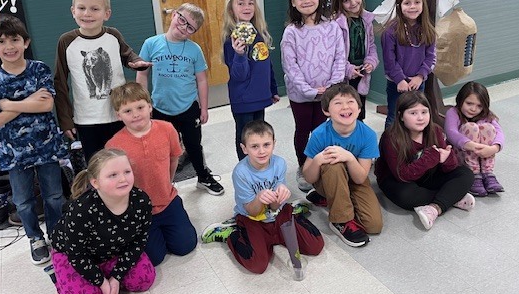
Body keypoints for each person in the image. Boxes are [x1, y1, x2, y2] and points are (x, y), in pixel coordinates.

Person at [0, 15, 66, 265]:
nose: (9, 46)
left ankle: (57, 233)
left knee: (54, 196)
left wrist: (8, 104)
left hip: (47, 145)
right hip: (14, 152)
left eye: (15, 39)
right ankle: (35, 238)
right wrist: (30, 102)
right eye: (1, 41)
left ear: (26, 42)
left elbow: (47, 104)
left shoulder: (39, 69)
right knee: (23, 201)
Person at [202, 121, 324, 274]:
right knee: (257, 265)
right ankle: (231, 233)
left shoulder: (279, 163)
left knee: (315, 245)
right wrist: (259, 198)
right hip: (252, 217)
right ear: (244, 148)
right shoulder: (241, 172)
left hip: (276, 213)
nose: (261, 151)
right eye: (255, 146)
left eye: (266, 145)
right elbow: (252, 211)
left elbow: (275, 207)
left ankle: (293, 212)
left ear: (274, 143)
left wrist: (280, 194)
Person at [50, 148, 155, 294]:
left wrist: (116, 278)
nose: (123, 179)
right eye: (112, 175)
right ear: (95, 182)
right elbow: (77, 254)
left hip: (112, 250)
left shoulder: (141, 200)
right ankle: (58, 278)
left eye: (127, 172)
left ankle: (103, 274)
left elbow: (139, 241)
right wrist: (102, 282)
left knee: (144, 279)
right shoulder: (82, 209)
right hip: (74, 255)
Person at [54, 0, 151, 162]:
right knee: (98, 164)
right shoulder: (66, 41)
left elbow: (127, 53)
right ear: (73, 11)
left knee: (125, 159)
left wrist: (137, 62)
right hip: (86, 119)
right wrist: (65, 119)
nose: (87, 13)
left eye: (95, 9)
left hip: (120, 113)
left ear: (106, 13)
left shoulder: (113, 35)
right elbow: (59, 81)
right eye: (81, 8)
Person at [136, 3, 225, 196]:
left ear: (194, 32)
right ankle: (163, 183)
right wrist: (144, 104)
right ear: (174, 15)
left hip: (188, 107)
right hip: (159, 108)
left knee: (194, 145)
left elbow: (201, 80)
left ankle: (203, 176)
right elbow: (142, 75)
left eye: (190, 27)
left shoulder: (194, 50)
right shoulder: (151, 43)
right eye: (182, 20)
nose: (184, 27)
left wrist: (204, 108)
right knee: (161, 148)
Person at [105, 82, 197, 265]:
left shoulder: (167, 129)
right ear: (118, 115)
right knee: (154, 259)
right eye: (127, 111)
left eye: (140, 107)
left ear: (150, 106)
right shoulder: (114, 145)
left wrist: (168, 184)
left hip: (168, 200)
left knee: (186, 245)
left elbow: (173, 159)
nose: (136, 114)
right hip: (140, 211)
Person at [281, 0, 346, 192]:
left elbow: (340, 58)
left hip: (328, 93)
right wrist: (309, 90)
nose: (307, 1)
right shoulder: (291, 32)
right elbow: (290, 67)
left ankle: (321, 166)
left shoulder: (332, 27)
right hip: (300, 94)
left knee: (322, 130)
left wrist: (331, 87)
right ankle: (303, 166)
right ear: (293, 1)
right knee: (303, 130)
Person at [375, 91, 475, 230]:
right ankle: (451, 197)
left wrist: (446, 158)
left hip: (427, 175)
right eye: (413, 113)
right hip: (396, 180)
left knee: (466, 173)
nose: (420, 118)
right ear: (401, 116)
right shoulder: (391, 137)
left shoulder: (435, 131)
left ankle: (435, 208)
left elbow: (450, 167)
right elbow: (402, 175)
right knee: (407, 197)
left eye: (424, 112)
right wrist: (432, 157)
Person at [302, 83, 383, 247]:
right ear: (326, 111)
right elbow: (308, 176)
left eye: (350, 102)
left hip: (354, 179)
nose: (345, 107)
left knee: (373, 225)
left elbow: (360, 178)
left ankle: (330, 199)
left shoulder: (367, 135)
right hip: (329, 178)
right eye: (338, 103)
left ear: (359, 108)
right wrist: (318, 160)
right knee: (333, 163)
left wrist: (350, 158)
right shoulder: (319, 134)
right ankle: (341, 221)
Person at [221, 0, 279, 160]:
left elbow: (266, 64)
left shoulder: (258, 33)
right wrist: (239, 55)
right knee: (246, 139)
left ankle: (259, 167)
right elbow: (239, 75)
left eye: (250, 3)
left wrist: (273, 88)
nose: (247, 7)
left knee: (259, 136)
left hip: (260, 96)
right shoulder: (232, 39)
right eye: (241, 3)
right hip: (244, 99)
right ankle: (245, 172)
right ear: (231, 9)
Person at [380, 0, 436, 128]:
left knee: (415, 116)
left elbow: (430, 57)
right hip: (396, 83)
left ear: (423, 4)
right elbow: (389, 60)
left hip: (418, 82)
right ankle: (388, 148)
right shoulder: (390, 32)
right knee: (394, 116)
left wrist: (420, 76)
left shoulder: (428, 30)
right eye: (407, 3)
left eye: (417, 2)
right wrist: (400, 80)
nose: (412, 7)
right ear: (399, 6)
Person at [444, 81, 505, 196]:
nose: (473, 109)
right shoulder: (453, 112)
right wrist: (472, 145)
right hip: (459, 156)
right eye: (469, 103)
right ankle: (474, 173)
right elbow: (451, 133)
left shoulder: (487, 115)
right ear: (460, 100)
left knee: (488, 128)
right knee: (470, 127)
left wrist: (494, 148)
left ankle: (487, 172)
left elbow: (499, 132)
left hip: (482, 155)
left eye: (479, 106)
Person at [331, 0, 379, 121]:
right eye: (346, 0)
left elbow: (371, 45)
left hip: (361, 75)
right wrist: (348, 69)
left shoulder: (367, 20)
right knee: (343, 114)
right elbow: (333, 55)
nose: (353, 3)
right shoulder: (336, 24)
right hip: (343, 77)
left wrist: (371, 61)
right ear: (339, 3)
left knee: (358, 113)